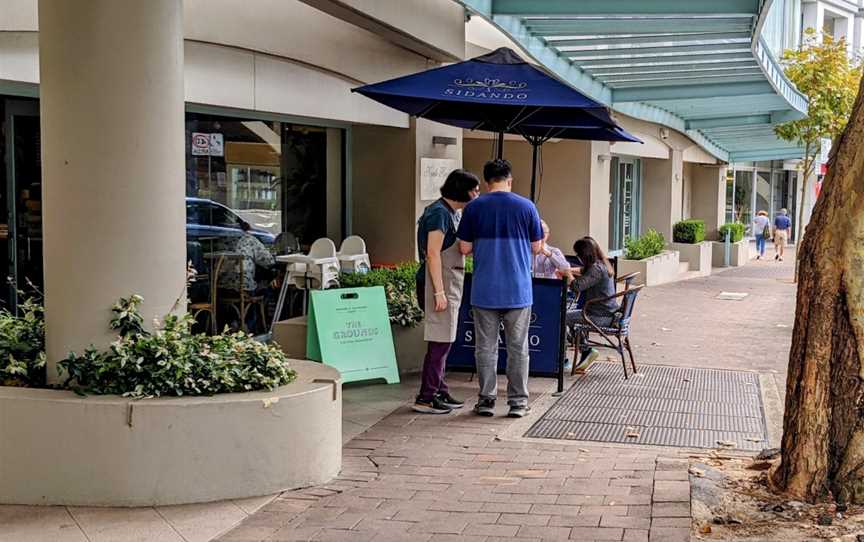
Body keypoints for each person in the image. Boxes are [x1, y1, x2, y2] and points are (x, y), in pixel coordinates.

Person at [457, 159, 543, 418]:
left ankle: (486, 400)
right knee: (518, 348)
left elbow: (463, 248)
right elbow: (537, 247)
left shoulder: (474, 208)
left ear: (486, 181)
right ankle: (518, 402)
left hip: (485, 289)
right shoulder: (527, 206)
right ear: (510, 180)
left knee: (485, 347)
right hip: (518, 289)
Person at [412, 169, 480, 415]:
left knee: (445, 338)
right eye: (474, 189)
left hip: (448, 281)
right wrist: (439, 292)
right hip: (437, 283)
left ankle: (439, 389)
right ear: (462, 190)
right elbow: (432, 253)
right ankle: (426, 396)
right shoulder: (439, 213)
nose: (477, 194)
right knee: (439, 341)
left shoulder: (451, 212)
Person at [566, 237, 618, 373]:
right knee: (571, 316)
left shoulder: (596, 270)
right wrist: (570, 269)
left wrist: (567, 274)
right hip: (607, 312)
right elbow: (584, 271)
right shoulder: (603, 264)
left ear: (585, 255)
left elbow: (577, 286)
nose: (577, 257)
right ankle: (584, 349)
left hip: (600, 316)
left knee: (562, 317)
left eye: (578, 255)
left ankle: (584, 350)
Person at [220, 221, 276, 330]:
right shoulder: (249, 240)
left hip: (221, 288)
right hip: (242, 289)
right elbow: (268, 261)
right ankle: (252, 326)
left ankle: (234, 322)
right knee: (267, 289)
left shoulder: (224, 240)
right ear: (247, 228)